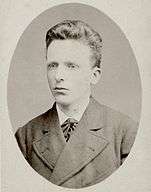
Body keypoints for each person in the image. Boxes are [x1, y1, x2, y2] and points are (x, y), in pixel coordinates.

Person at [15, 20, 138, 188]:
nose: (58, 75)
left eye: (71, 66)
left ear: (94, 75)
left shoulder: (125, 132)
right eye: (52, 65)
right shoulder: (25, 135)